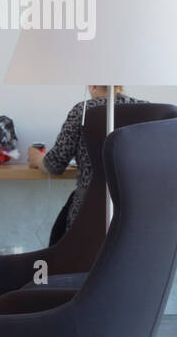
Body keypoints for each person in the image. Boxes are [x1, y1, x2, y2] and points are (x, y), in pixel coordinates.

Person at [28, 85, 146, 236]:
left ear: (93, 85)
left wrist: (37, 158)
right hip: (134, 212)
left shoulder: (83, 111)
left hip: (88, 211)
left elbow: (54, 164)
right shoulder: (145, 109)